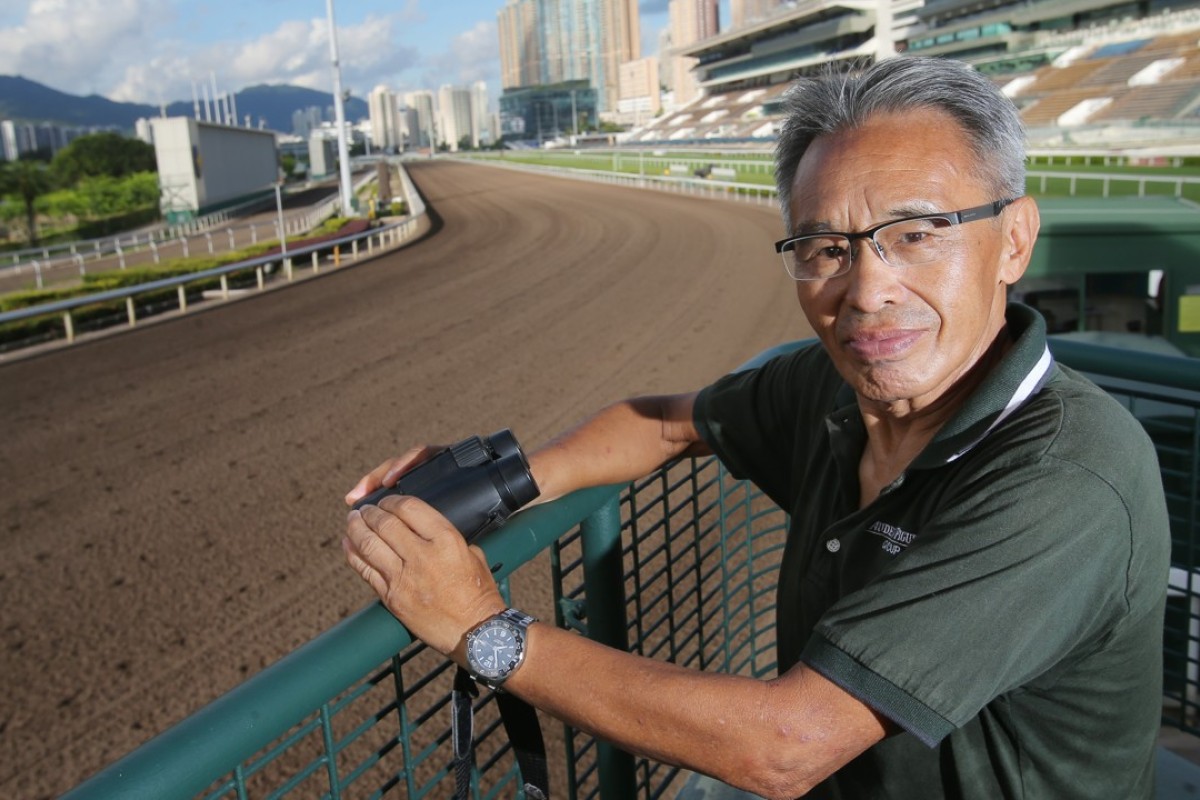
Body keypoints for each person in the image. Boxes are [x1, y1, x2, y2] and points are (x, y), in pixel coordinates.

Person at [343, 56, 1170, 799]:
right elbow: (669, 423)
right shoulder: (835, 386)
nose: (867, 290)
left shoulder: (1069, 479)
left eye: (915, 236)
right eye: (826, 248)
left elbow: (786, 746)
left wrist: (483, 630)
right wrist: (505, 483)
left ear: (1013, 239)